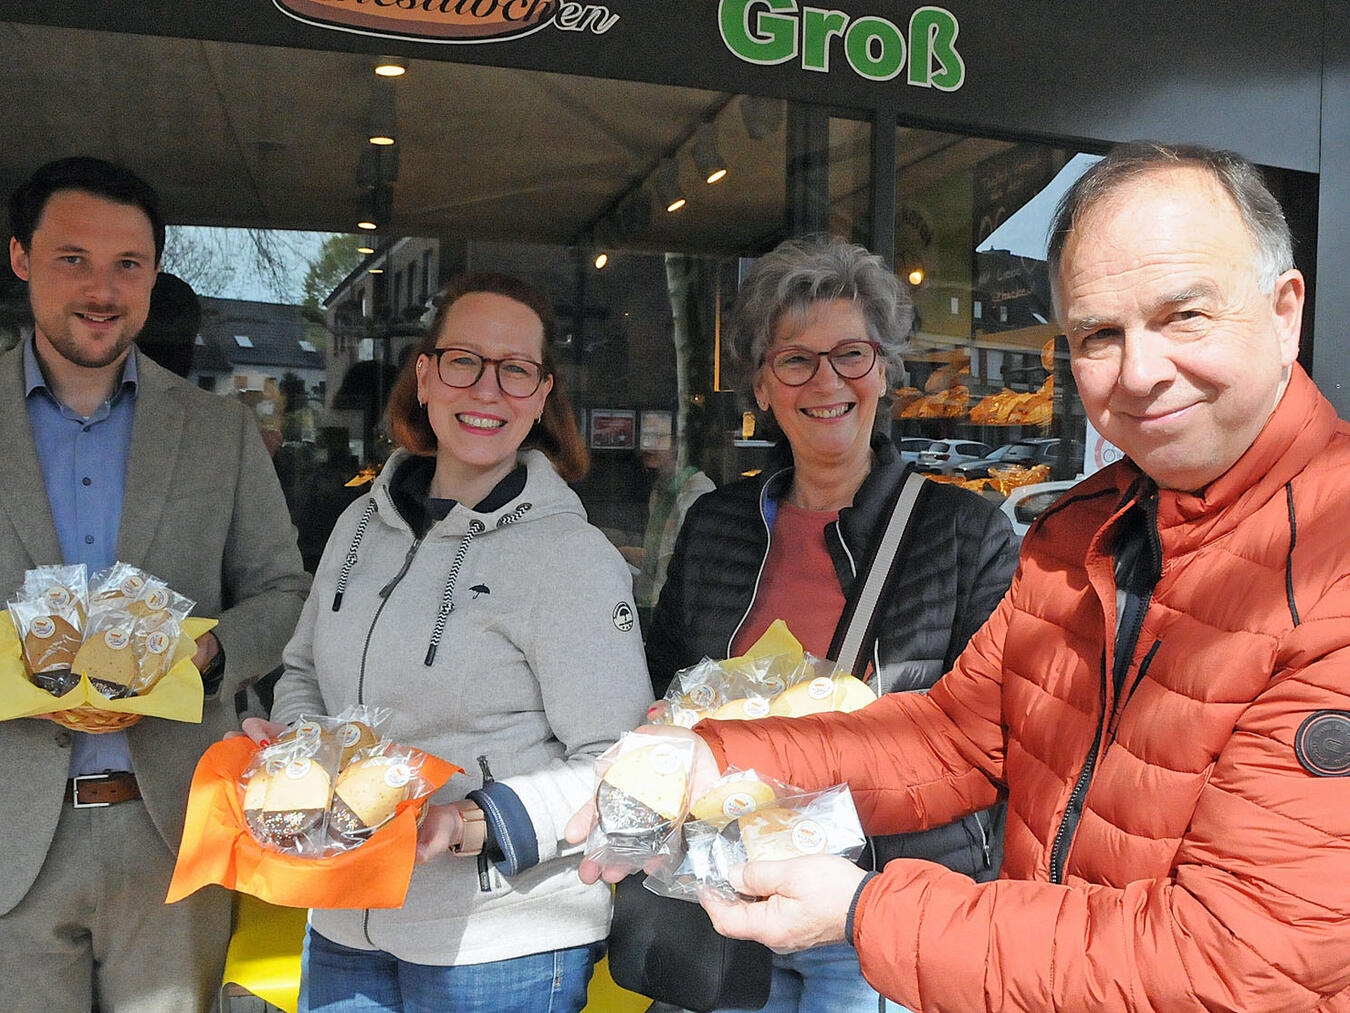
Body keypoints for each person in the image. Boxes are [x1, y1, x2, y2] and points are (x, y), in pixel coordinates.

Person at [573, 141, 1350, 1010]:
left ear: (1285, 311)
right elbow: (956, 736)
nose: (1140, 371)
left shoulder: (1333, 561)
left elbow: (1238, 960)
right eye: (1100, 333)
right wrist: (714, 756)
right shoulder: (1083, 531)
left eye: (1185, 315)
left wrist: (866, 910)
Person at [250, 271, 654, 1013]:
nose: (488, 389)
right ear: (427, 375)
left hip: (500, 943)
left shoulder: (570, 555)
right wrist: (302, 755)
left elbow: (623, 760)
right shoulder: (358, 525)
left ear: (541, 395)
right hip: (342, 914)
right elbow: (303, 670)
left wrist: (475, 821)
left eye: (515, 370)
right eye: (465, 360)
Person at [641, 236, 1020, 1013]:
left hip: (878, 904)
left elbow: (993, 735)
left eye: (851, 354)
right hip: (729, 894)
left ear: (884, 369)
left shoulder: (963, 532)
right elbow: (667, 673)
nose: (827, 381)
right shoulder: (716, 522)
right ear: (761, 384)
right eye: (796, 360)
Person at [0, 156, 310, 1010]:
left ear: (154, 274)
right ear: (21, 257)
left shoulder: (219, 431)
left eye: (128, 264)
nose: (102, 289)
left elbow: (286, 594)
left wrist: (202, 655)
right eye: (73, 259)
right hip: (9, 834)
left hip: (174, 830)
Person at [634, 444, 714, 619]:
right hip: (655, 603)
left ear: (679, 444)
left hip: (676, 608)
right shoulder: (660, 489)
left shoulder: (698, 492)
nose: (648, 445)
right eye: (646, 437)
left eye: (659, 437)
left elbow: (694, 567)